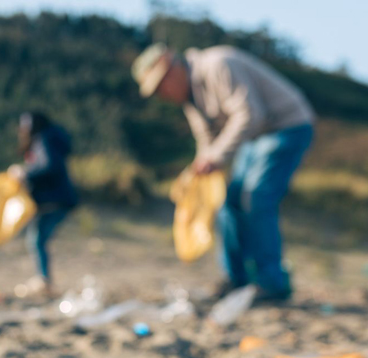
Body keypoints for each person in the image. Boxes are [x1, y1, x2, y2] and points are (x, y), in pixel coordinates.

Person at [132, 44, 315, 301]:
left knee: (256, 197)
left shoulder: (218, 64)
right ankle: (236, 278)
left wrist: (215, 157)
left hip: (287, 126)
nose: (162, 94)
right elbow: (206, 138)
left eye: (161, 86)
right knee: (228, 203)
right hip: (255, 138)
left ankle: (272, 282)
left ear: (172, 68)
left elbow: (249, 114)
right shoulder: (190, 97)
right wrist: (200, 167)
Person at [9, 112, 79, 296]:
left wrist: (25, 173)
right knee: (38, 239)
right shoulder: (49, 139)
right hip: (58, 199)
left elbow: (49, 166)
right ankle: (44, 279)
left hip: (53, 200)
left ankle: (44, 281)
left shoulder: (44, 140)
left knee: (37, 239)